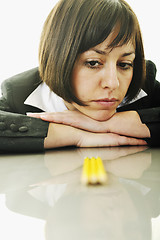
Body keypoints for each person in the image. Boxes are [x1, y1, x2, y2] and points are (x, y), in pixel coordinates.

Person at [0, 0, 160, 153]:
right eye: (93, 63)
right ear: (58, 58)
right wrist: (73, 135)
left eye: (124, 64)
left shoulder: (145, 85)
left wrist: (119, 123)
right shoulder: (20, 93)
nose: (112, 83)